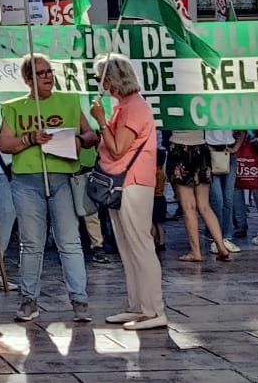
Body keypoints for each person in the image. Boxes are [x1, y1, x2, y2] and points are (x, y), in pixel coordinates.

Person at [0, 56, 93, 323]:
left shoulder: (69, 101)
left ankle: (80, 300)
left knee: (70, 242)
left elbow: (91, 135)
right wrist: (29, 138)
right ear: (28, 79)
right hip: (27, 181)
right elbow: (4, 144)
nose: (48, 76)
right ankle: (29, 300)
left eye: (49, 71)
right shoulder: (14, 107)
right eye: (41, 73)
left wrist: (78, 140)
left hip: (62, 178)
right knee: (31, 244)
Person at [92, 54, 165, 331]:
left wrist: (100, 121)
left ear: (112, 79)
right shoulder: (124, 105)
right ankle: (138, 306)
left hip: (133, 182)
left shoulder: (134, 107)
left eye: (101, 78)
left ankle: (154, 309)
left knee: (141, 246)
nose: (99, 84)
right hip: (122, 182)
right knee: (128, 247)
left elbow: (118, 147)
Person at [163, 124, 231, 264]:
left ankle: (195, 251)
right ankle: (221, 246)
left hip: (179, 147)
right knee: (204, 206)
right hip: (201, 148)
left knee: (189, 207)